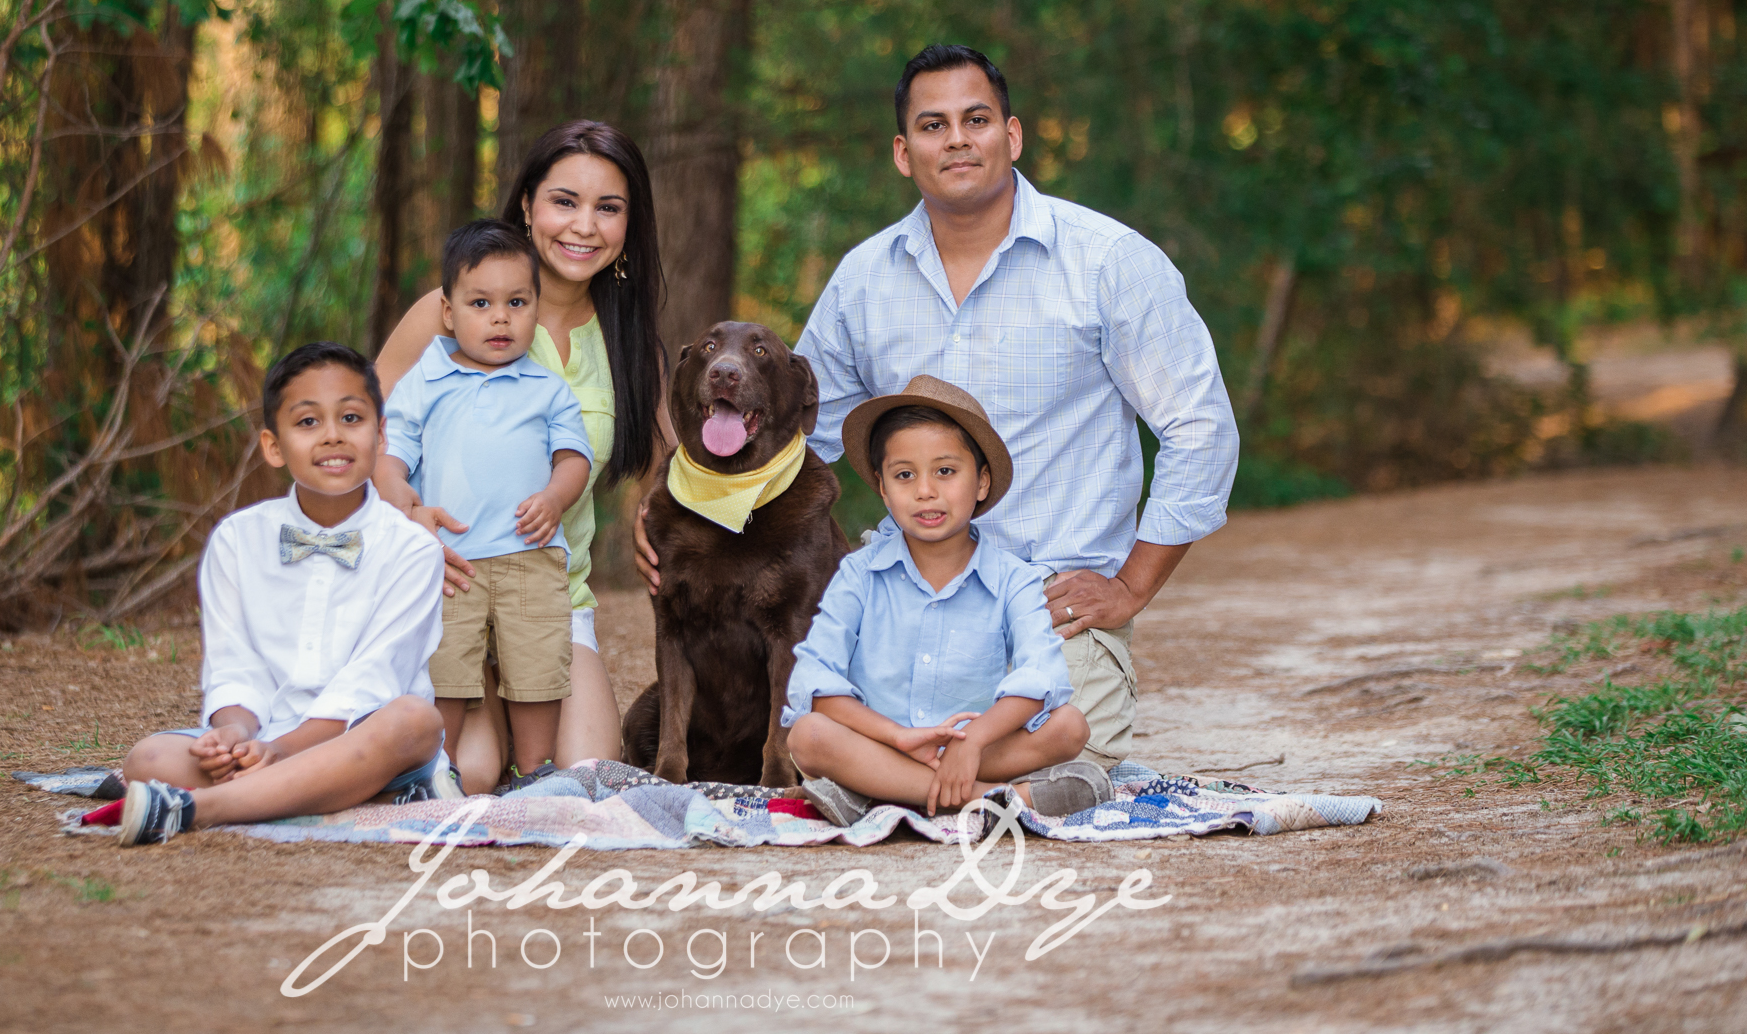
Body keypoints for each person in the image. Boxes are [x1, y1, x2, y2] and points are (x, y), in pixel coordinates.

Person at [644, 43, 1239, 769]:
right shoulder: (864, 278)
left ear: (1011, 135)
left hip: (1050, 611)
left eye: (976, 118)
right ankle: (927, 774)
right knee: (815, 736)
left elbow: (1200, 426)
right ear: (903, 151)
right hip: (903, 607)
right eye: (932, 125)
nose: (956, 138)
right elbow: (789, 431)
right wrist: (679, 520)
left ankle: (930, 778)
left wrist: (1131, 584)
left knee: (1060, 759)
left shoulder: (1107, 263)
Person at [373, 121, 670, 791]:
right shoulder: (452, 312)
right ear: (529, 204)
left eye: (608, 207)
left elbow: (666, 459)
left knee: (588, 772)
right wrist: (403, 506)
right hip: (449, 580)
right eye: (565, 201)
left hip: (552, 595)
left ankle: (513, 722)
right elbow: (366, 419)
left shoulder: (630, 344)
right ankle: (483, 723)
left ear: (631, 224)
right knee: (470, 768)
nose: (584, 226)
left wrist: (653, 508)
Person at [115, 342, 457, 846]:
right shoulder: (237, 539)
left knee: (415, 719)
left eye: (351, 417)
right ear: (273, 447)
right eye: (307, 422)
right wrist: (234, 732)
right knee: (147, 759)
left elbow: (372, 681)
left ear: (380, 435)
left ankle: (197, 810)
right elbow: (236, 666)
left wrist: (285, 750)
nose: (333, 436)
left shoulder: (412, 549)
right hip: (263, 740)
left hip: (367, 740)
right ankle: (318, 793)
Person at [782, 377, 1110, 824]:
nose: (925, 491)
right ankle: (992, 798)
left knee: (1070, 727)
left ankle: (876, 793)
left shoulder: (1013, 578)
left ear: (981, 482)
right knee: (808, 736)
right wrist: (898, 737)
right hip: (880, 744)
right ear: (882, 488)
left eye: (945, 471)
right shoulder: (859, 574)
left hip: (976, 748)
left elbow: (1043, 675)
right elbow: (815, 680)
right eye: (904, 475)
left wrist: (972, 742)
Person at [378, 219, 593, 788]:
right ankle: (433, 768)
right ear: (448, 313)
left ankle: (536, 769)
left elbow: (575, 459)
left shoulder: (547, 388)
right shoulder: (425, 380)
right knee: (445, 666)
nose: (500, 317)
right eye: (481, 303)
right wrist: (408, 507)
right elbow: (388, 457)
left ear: (534, 310)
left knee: (537, 666)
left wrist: (554, 496)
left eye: (517, 302)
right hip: (450, 561)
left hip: (531, 554)